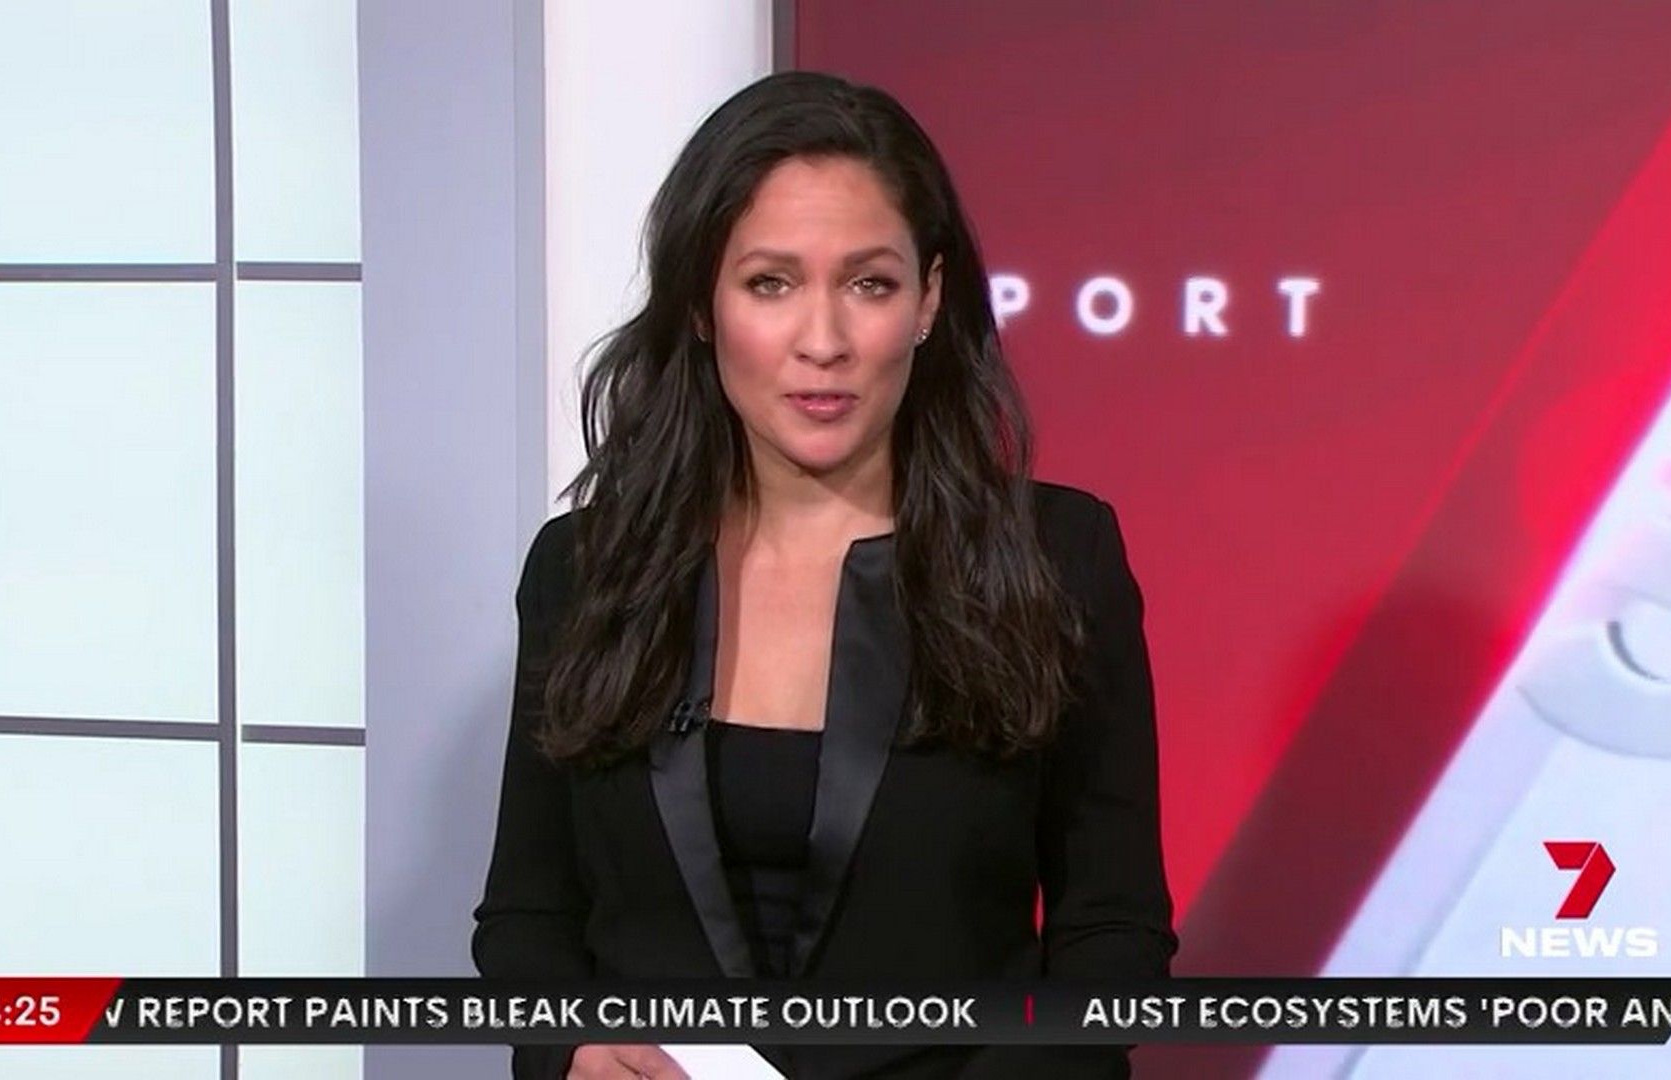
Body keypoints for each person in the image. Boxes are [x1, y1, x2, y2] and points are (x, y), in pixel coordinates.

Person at [473, 70, 1176, 1079]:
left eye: (868, 284)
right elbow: (528, 918)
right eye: (771, 283)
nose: (823, 342)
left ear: (929, 298)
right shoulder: (587, 571)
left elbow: (1111, 936)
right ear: (703, 305)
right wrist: (571, 1049)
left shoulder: (1055, 561)